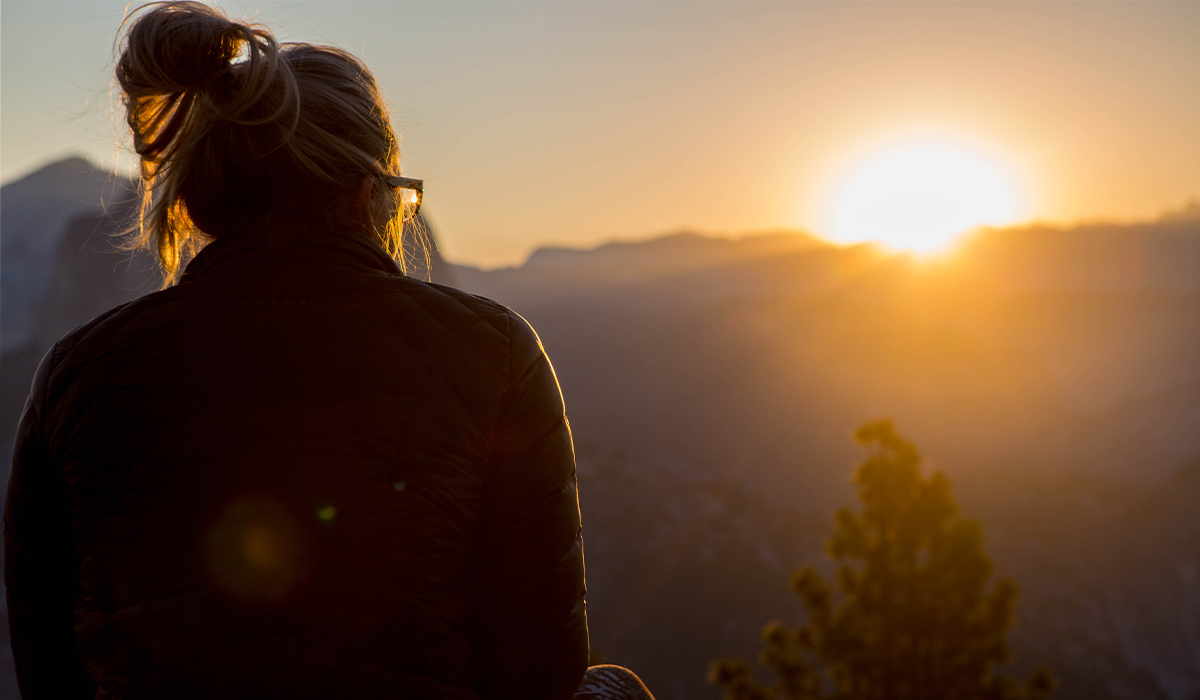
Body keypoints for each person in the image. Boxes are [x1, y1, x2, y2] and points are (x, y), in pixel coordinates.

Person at [4, 3, 653, 698]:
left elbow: (48, 670)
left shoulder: (78, 378)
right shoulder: (494, 355)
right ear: (365, 193)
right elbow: (539, 675)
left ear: (197, 201)